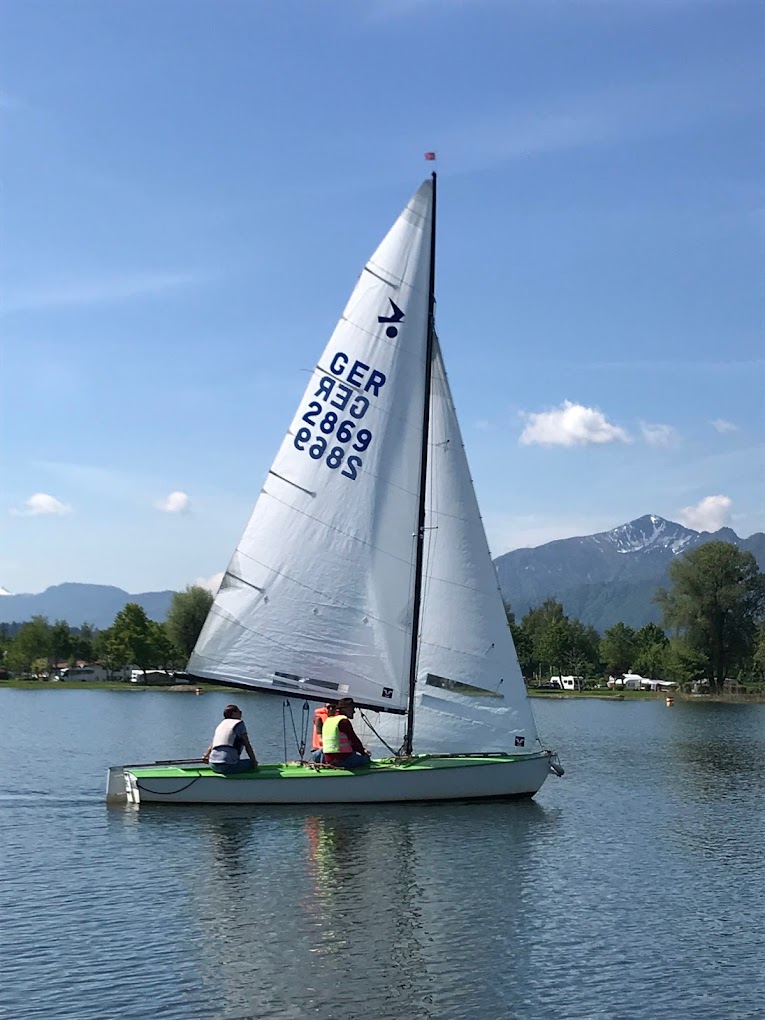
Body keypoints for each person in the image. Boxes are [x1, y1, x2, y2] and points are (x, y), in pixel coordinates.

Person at [202, 704, 258, 774]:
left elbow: (213, 744)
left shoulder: (221, 725)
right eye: (239, 712)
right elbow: (247, 745)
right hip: (228, 766)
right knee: (250, 763)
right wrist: (254, 761)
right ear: (233, 713)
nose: (241, 715)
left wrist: (206, 755)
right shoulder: (239, 724)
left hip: (213, 765)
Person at [320, 697, 371, 769]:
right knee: (366, 759)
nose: (354, 712)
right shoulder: (343, 721)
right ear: (345, 709)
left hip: (328, 760)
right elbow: (354, 740)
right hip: (343, 761)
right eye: (352, 709)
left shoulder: (328, 720)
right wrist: (363, 752)